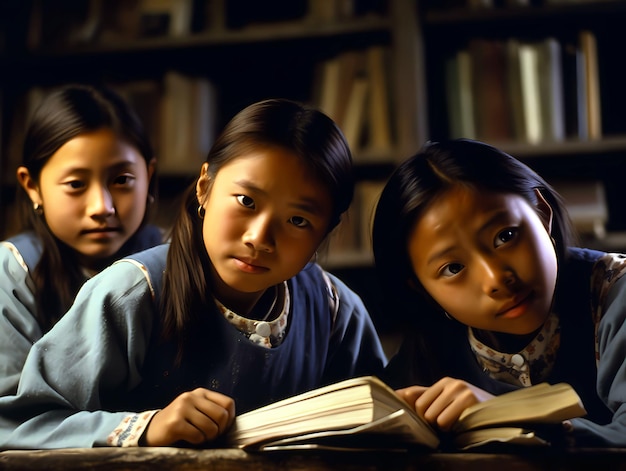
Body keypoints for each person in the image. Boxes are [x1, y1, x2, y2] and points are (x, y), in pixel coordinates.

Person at [0, 98, 386, 449]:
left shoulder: (337, 311)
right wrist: (146, 427)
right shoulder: (132, 292)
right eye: (246, 201)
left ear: (326, 232)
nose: (259, 238)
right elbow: (18, 423)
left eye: (298, 220)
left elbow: (383, 421)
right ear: (205, 187)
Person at [373, 138, 626, 447]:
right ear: (423, 288)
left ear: (542, 213)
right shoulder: (428, 344)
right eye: (453, 268)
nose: (495, 279)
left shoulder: (616, 292)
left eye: (505, 236)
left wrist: (503, 414)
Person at [0, 84, 162, 398]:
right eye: (76, 184)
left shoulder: (180, 260)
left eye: (121, 181)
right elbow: (11, 419)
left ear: (149, 175)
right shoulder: (11, 274)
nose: (102, 207)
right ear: (32, 186)